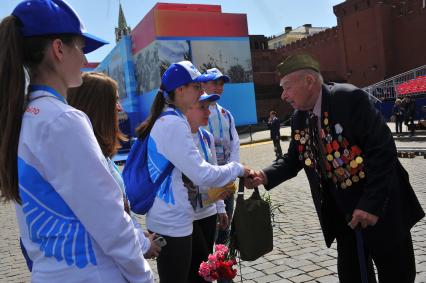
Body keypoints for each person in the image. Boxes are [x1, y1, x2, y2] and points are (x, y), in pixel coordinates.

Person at [0, 1, 154, 282]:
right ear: (59, 49)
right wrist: (143, 277)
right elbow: (111, 223)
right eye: (81, 49)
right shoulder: (62, 120)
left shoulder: (22, 118)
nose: (84, 61)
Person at [246, 54, 424, 282]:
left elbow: (383, 151)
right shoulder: (300, 117)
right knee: (351, 276)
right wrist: (263, 175)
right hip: (344, 218)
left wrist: (371, 204)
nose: (283, 95)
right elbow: (293, 159)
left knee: (396, 274)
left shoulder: (348, 99)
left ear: (309, 81)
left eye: (287, 87)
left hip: (382, 210)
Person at [135, 61, 249, 283]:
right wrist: (238, 169)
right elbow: (202, 174)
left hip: (173, 219)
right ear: (180, 90)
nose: (202, 91)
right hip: (172, 222)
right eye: (197, 87)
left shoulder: (171, 119)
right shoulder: (172, 123)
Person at [67, 72, 161, 259]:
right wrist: (142, 244)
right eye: (114, 101)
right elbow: (106, 219)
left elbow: (120, 209)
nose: (119, 108)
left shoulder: (100, 153)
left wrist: (137, 234)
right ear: (97, 107)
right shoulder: (84, 158)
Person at [185, 93, 231, 283]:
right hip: (188, 215)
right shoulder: (180, 137)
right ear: (188, 110)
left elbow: (213, 172)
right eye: (202, 107)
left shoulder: (207, 137)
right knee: (195, 268)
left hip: (208, 212)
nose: (208, 111)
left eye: (209, 106)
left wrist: (220, 208)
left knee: (205, 266)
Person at [201, 68, 240, 249]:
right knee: (211, 228)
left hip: (225, 177)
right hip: (207, 179)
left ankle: (223, 269)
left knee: (225, 226)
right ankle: (208, 269)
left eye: (221, 83)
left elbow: (235, 144)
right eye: (215, 83)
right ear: (203, 84)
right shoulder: (197, 112)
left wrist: (231, 174)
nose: (219, 87)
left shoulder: (226, 114)